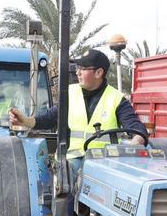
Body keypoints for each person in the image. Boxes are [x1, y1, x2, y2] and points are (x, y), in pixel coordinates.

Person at [10, 49, 146, 157]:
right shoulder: (69, 93)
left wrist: (135, 142)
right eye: (77, 67)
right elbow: (49, 119)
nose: (78, 72)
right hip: (70, 163)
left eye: (83, 68)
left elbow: (137, 129)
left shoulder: (116, 99)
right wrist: (25, 121)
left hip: (104, 164)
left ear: (99, 73)